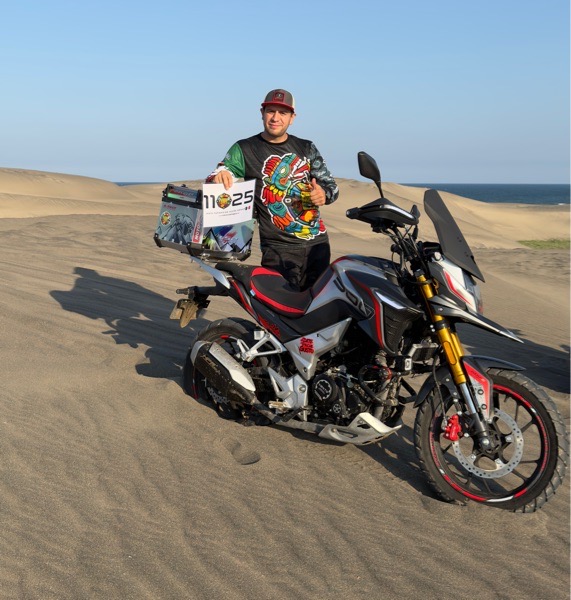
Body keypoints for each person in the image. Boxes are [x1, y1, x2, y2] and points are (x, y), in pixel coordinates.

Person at [206, 89, 339, 291]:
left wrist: (323, 194)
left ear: (292, 118)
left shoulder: (306, 147)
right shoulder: (245, 149)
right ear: (262, 113)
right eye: (271, 111)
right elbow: (219, 175)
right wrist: (220, 175)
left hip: (317, 246)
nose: (276, 118)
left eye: (283, 113)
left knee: (318, 303)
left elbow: (332, 188)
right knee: (281, 306)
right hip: (278, 249)